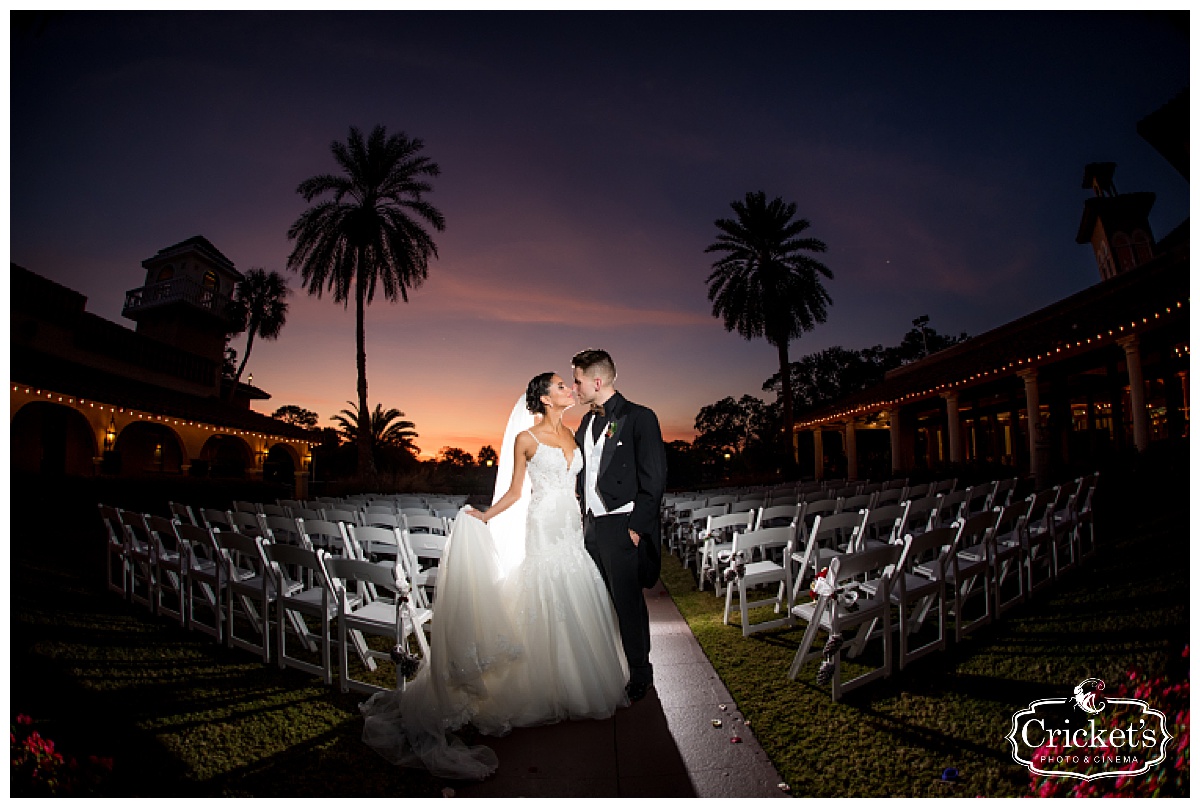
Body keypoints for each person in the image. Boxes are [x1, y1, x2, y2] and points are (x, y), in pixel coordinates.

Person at [359, 372, 629, 779]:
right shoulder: (527, 439)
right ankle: (534, 689)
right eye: (559, 386)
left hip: (571, 525)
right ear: (542, 397)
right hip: (542, 525)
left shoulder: (575, 433)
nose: (568, 389)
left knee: (577, 587)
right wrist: (485, 515)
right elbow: (517, 492)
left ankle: (572, 682)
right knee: (543, 590)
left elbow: (582, 485)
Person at [571, 348, 668, 702]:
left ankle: (641, 673)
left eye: (578, 380)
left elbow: (654, 479)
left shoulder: (641, 417)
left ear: (597, 381)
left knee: (628, 604)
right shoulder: (586, 422)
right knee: (598, 602)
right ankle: (608, 666)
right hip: (592, 526)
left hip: (622, 525)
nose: (574, 388)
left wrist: (636, 528)